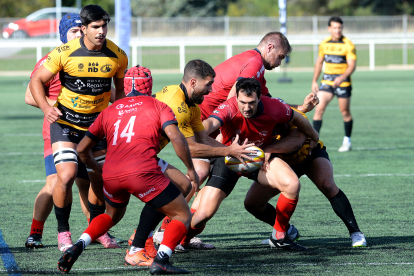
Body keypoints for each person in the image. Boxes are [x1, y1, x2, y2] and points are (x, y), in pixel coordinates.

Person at [57, 74, 199, 275]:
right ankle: (161, 259)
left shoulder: (110, 110)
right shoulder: (158, 105)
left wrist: (95, 167)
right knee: (182, 213)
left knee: (111, 215)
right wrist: (191, 169)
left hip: (112, 171)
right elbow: (177, 138)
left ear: (124, 87)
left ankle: (79, 244)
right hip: (142, 171)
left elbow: (81, 149)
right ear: (150, 88)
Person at [126, 60, 256, 264]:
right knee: (168, 191)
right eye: (209, 84)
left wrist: (231, 151)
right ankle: (140, 242)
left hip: (144, 154)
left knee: (182, 186)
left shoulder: (192, 106)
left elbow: (202, 139)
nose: (212, 89)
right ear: (194, 82)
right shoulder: (177, 105)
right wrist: (229, 150)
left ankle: (142, 239)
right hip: (131, 154)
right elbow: (191, 148)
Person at [29, 5, 128, 252]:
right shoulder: (63, 53)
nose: (101, 31)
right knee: (65, 176)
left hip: (97, 128)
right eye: (95, 26)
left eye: (105, 25)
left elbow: (120, 92)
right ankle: (63, 232)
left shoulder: (117, 55)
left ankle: (97, 228)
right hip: (65, 126)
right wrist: (46, 108)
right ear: (84, 29)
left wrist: (125, 114)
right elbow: (36, 81)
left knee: (99, 179)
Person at [179, 77, 320, 251]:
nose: (246, 107)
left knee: (291, 184)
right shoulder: (229, 107)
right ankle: (181, 242)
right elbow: (209, 124)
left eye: (251, 103)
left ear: (260, 98)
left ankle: (279, 236)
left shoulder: (274, 107)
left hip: (258, 158)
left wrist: (314, 135)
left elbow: (297, 118)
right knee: (203, 214)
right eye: (242, 102)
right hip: (229, 158)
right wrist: (194, 136)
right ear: (236, 97)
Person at [244, 106, 367, 248]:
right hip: (283, 163)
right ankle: (286, 231)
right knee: (252, 203)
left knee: (327, 184)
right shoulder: (256, 120)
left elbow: (297, 140)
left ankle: (356, 233)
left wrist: (270, 148)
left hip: (309, 155)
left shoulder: (294, 115)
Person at [311, 16, 356, 152]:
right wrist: (314, 80)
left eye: (340, 28)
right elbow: (319, 63)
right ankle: (313, 142)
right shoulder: (324, 43)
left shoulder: (348, 44)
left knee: (345, 112)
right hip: (327, 81)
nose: (337, 30)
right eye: (335, 28)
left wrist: (342, 78)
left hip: (343, 83)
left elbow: (352, 66)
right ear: (329, 28)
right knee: (318, 109)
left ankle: (347, 141)